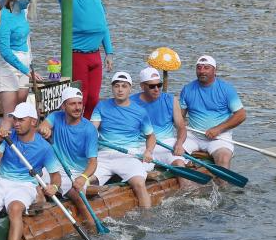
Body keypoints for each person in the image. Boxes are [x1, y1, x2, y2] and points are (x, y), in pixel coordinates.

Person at [0, 101, 63, 240]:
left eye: (21, 120)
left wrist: (54, 187)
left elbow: (56, 176)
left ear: (33, 121)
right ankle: (0, 215)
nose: (16, 123)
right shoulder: (8, 137)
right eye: (15, 119)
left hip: (25, 185)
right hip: (0, 180)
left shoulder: (45, 148)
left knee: (15, 209)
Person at [89, 72, 156, 209]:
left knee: (139, 183)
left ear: (130, 89)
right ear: (112, 88)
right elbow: (91, 130)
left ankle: (147, 217)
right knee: (85, 181)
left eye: (124, 86)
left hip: (129, 155)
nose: (120, 89)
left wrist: (148, 151)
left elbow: (151, 137)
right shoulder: (101, 106)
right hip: (103, 155)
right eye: (117, 86)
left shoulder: (140, 112)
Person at [53, 0, 112, 117]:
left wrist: (109, 52)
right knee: (81, 97)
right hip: (77, 54)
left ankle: (86, 125)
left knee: (93, 99)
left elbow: (103, 26)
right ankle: (75, 125)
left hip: (95, 54)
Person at [38, 86, 98, 222]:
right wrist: (43, 128)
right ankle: (40, 214)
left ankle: (92, 226)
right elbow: (44, 125)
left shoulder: (89, 130)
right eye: (72, 104)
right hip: (54, 169)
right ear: (63, 106)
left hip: (77, 173)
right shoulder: (55, 116)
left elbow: (93, 162)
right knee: (33, 181)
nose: (78, 108)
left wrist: (83, 178)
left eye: (80, 103)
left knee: (77, 195)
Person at [0, 0, 45, 115]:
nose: (29, 0)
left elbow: (25, 41)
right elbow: (5, 51)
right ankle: (1, 137)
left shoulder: (22, 13)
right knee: (10, 116)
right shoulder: (4, 17)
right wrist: (27, 71)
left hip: (23, 64)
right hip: (5, 66)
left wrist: (29, 64)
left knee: (21, 112)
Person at [180, 55, 246, 170]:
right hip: (192, 136)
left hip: (219, 138)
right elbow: (179, 116)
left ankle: (223, 187)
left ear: (214, 70)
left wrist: (218, 129)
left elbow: (241, 115)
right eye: (199, 68)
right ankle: (185, 183)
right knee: (172, 152)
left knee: (223, 159)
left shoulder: (226, 89)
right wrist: (180, 121)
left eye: (206, 68)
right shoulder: (187, 89)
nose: (202, 71)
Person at [131, 67, 192, 186]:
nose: (157, 89)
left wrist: (179, 144)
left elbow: (181, 127)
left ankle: (190, 195)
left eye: (159, 85)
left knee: (179, 163)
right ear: (142, 86)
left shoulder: (171, 100)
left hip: (166, 144)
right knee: (135, 173)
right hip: (142, 146)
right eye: (152, 86)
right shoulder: (130, 102)